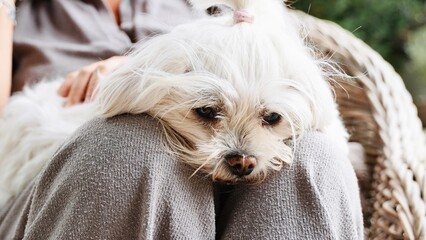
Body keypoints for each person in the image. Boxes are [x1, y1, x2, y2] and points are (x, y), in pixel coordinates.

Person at [0, 0, 364, 239]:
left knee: (316, 160)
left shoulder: (244, 11)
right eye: (207, 111)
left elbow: (304, 100)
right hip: (50, 187)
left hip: (239, 205)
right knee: (127, 148)